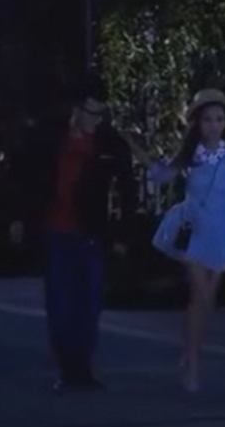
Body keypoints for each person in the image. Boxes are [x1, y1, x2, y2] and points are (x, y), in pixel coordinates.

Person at [124, 89, 225, 393]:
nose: (213, 125)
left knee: (208, 301)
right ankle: (193, 363)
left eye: (219, 119)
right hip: (194, 229)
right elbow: (161, 175)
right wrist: (135, 147)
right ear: (198, 122)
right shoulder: (189, 155)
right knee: (200, 295)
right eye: (208, 119)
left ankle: (190, 347)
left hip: (224, 233)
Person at [9, 75, 136, 392]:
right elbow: (23, 175)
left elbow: (127, 186)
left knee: (88, 302)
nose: (96, 120)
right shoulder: (49, 136)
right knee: (60, 303)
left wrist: (123, 232)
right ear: (76, 110)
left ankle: (82, 367)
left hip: (90, 231)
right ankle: (67, 367)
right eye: (91, 113)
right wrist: (20, 217)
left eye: (101, 114)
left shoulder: (107, 142)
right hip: (55, 231)